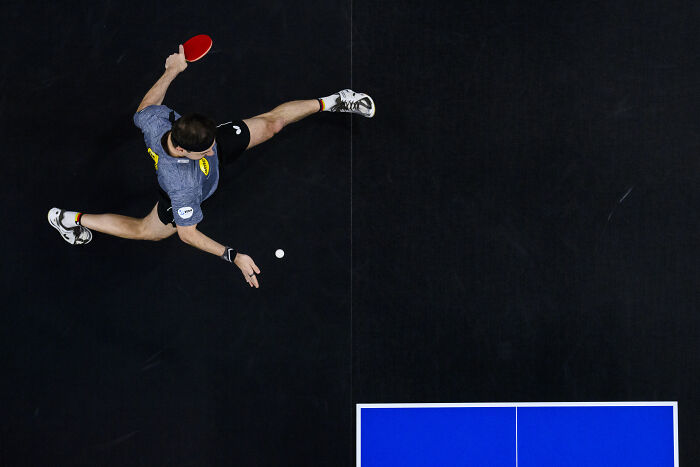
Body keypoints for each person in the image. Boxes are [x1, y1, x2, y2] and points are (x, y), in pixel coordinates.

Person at [48, 45, 374, 289]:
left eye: (211, 143)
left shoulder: (161, 125)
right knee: (145, 232)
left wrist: (173, 70)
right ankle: (69, 219)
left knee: (271, 124)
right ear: (180, 147)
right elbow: (188, 235)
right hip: (188, 191)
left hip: (199, 158)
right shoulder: (182, 187)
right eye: (205, 149)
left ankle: (335, 100)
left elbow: (147, 107)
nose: (212, 149)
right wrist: (234, 256)